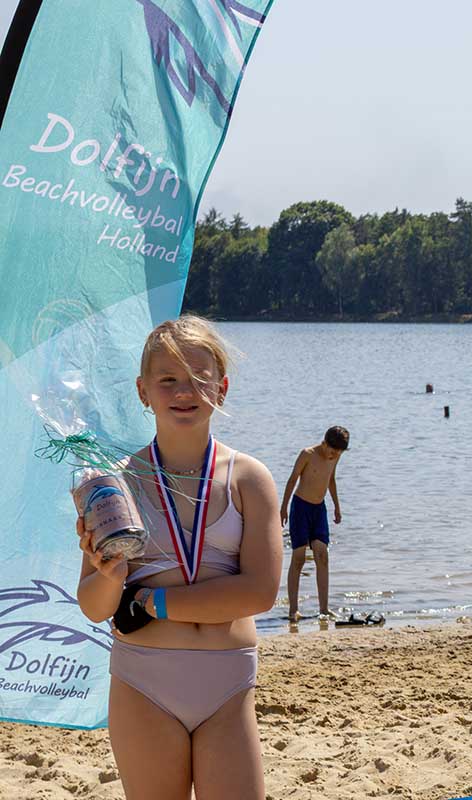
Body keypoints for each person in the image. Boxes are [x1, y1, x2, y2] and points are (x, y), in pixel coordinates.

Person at [75, 316, 281, 800]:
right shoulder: (114, 484)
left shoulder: (249, 479)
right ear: (142, 391)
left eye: (198, 378)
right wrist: (111, 575)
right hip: (144, 682)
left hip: (228, 685)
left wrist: (153, 602)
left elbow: (259, 592)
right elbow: (95, 607)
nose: (184, 391)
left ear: (221, 388)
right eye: (167, 379)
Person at [281, 426, 349, 622]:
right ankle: (293, 610)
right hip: (300, 508)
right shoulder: (307, 454)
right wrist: (283, 507)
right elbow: (292, 480)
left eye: (338, 453)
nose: (334, 455)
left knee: (322, 555)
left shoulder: (335, 456)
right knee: (299, 558)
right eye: (332, 451)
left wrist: (337, 506)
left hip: (319, 509)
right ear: (324, 443)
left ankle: (324, 609)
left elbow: (331, 480)